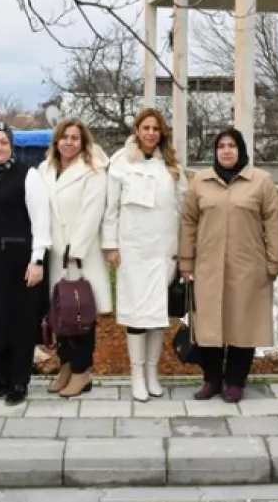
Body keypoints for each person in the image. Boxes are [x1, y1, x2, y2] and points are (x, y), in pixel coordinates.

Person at [178, 128, 278, 403]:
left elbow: (273, 223)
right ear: (215, 151)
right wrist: (186, 261)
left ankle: (236, 381)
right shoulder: (201, 181)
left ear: (242, 150)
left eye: (232, 146)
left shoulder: (260, 181)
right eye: (221, 146)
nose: (226, 151)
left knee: (242, 324)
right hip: (208, 267)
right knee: (209, 326)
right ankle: (211, 379)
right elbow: (189, 222)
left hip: (248, 267)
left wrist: (274, 261)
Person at [102, 108, 187, 402]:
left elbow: (182, 208)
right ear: (137, 130)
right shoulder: (119, 164)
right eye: (145, 127)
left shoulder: (171, 166)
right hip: (133, 253)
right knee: (137, 316)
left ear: (161, 132)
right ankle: (136, 374)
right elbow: (110, 210)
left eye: (156, 128)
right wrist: (111, 246)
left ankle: (152, 372)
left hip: (163, 252)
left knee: (157, 316)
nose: (151, 133)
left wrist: (182, 251)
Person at [0, 115, 51, 406]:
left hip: (19, 264)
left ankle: (19, 381)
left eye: (4, 142)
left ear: (12, 146)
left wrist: (38, 260)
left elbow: (41, 220)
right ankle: (1, 377)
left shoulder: (27, 175)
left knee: (19, 323)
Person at [38, 118, 111, 398]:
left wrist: (74, 250)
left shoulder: (93, 172)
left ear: (83, 143)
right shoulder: (44, 170)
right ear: (56, 141)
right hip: (53, 254)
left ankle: (82, 372)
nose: (69, 142)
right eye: (64, 137)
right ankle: (66, 367)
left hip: (79, 257)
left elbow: (92, 215)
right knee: (60, 316)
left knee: (80, 315)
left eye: (75, 138)